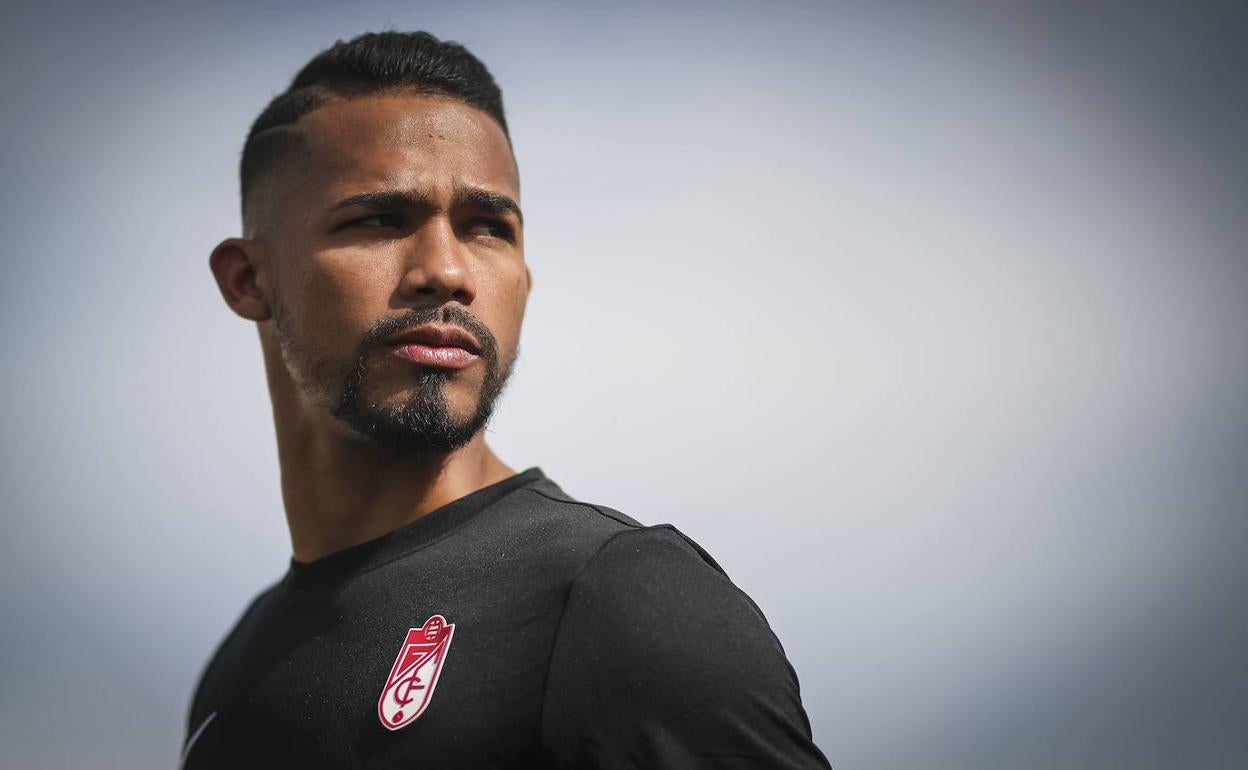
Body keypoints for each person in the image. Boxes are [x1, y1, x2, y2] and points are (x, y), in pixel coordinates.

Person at [188, 30, 830, 769]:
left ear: (524, 278)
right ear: (249, 280)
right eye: (380, 219)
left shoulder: (620, 601)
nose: (447, 271)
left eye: (488, 228)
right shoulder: (238, 666)